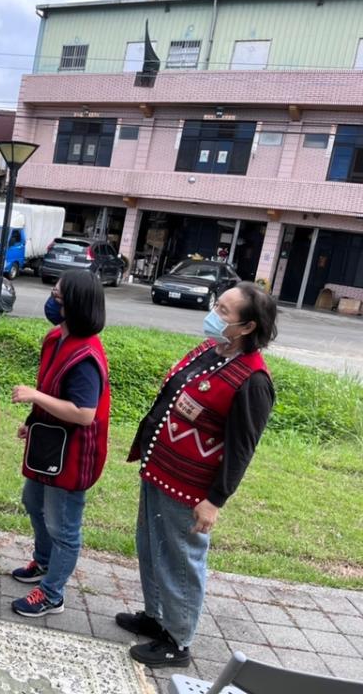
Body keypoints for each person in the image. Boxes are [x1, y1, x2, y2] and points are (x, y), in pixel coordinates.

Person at [116, 282, 277, 668]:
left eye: (224, 311)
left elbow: (241, 449)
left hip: (191, 488)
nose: (213, 314)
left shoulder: (253, 380)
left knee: (181, 561)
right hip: (161, 469)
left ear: (247, 328)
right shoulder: (210, 350)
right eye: (216, 305)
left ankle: (178, 640)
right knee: (152, 548)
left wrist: (215, 500)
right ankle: (157, 618)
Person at [9, 270, 111, 617]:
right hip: (48, 443)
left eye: (57, 296)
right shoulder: (55, 338)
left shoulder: (86, 357)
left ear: (75, 306)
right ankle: (43, 561)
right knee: (32, 500)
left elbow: (84, 413)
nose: (50, 301)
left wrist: (34, 396)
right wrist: (31, 421)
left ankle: (52, 594)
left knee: (64, 526)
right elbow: (52, 390)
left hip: (74, 453)